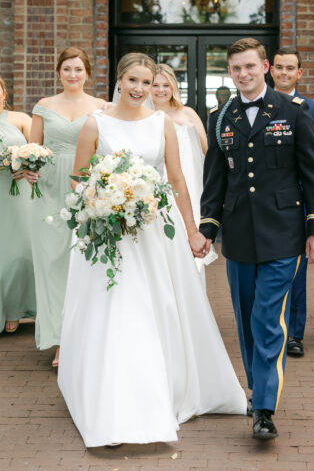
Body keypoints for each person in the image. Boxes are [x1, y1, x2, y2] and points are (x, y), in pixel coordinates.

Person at [58, 52, 246, 448]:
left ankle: (160, 390)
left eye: (146, 83)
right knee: (114, 310)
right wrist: (102, 200)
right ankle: (111, 401)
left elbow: (176, 180)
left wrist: (193, 231)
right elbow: (77, 180)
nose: (139, 89)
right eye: (133, 81)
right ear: (119, 80)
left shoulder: (163, 124)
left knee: (154, 306)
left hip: (154, 234)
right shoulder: (97, 123)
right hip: (108, 233)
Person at [199, 38, 314, 440]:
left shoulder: (293, 112)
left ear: (266, 66)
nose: (243, 74)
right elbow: (216, 177)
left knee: (267, 319)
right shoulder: (220, 117)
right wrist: (207, 228)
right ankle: (258, 391)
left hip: (282, 234)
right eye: (236, 68)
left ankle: (264, 407)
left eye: (250, 66)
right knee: (245, 320)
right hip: (237, 235)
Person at [29, 47, 105, 367]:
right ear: (58, 72)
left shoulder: (102, 107)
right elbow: (33, 148)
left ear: (88, 73)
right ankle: (58, 340)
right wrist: (27, 166)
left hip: (85, 186)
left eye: (78, 69)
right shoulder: (43, 106)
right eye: (67, 69)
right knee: (51, 266)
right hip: (47, 189)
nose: (72, 75)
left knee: (82, 265)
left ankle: (82, 338)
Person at [270, 49, 314, 357]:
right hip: (269, 202)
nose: (283, 72)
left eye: (289, 68)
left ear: (299, 73)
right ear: (271, 71)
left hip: (301, 201)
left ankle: (294, 333)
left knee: (298, 270)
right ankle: (270, 329)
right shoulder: (260, 107)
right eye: (279, 67)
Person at [151, 63, 216, 288]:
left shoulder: (187, 113)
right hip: (160, 183)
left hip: (190, 183)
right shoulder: (145, 116)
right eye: (155, 85)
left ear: (173, 87)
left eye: (165, 85)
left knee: (191, 240)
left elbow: (207, 148)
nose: (160, 90)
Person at [0, 77, 36, 334]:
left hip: (19, 192)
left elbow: (40, 149)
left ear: (4, 93)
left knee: (20, 252)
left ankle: (15, 309)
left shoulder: (20, 119)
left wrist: (25, 166)